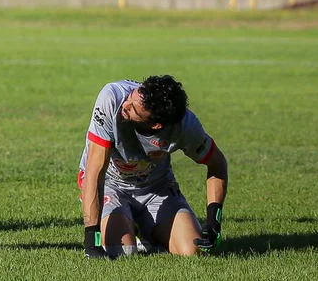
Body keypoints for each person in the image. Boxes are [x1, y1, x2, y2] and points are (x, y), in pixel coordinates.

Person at [79, 75, 228, 259]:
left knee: (193, 251)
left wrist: (214, 221)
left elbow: (217, 164)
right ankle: (131, 224)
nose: (125, 105)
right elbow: (94, 172)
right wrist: (92, 243)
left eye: (133, 109)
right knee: (121, 253)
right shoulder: (112, 98)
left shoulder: (186, 127)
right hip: (112, 184)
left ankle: (145, 230)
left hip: (158, 187)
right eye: (131, 97)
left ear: (156, 125)